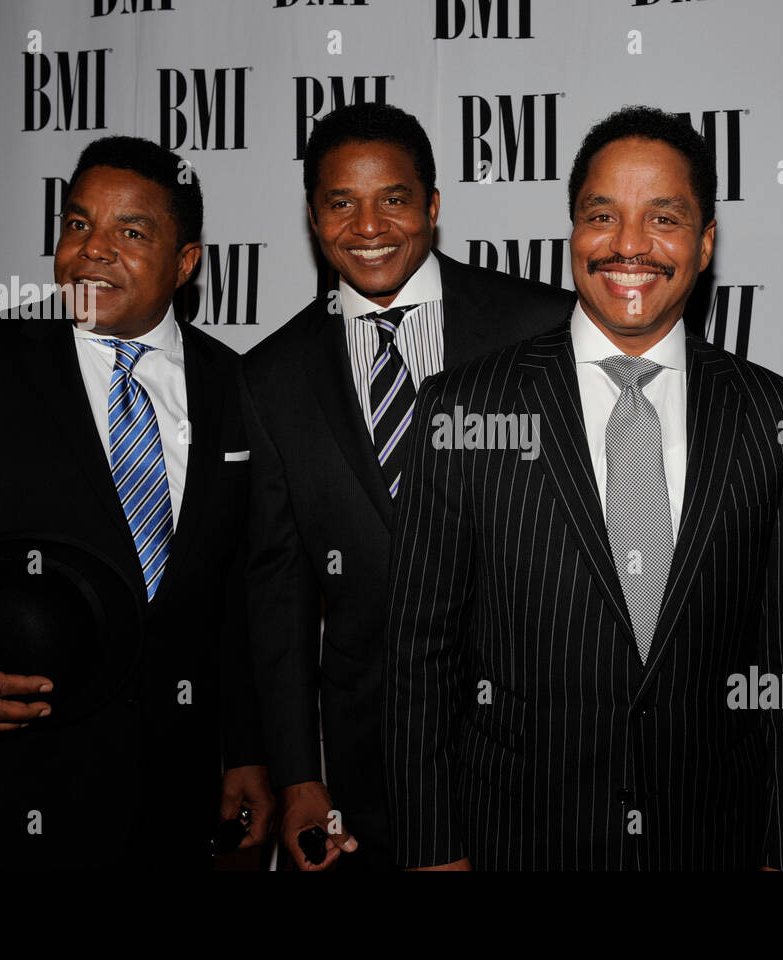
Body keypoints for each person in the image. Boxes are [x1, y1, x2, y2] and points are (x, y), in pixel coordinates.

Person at [384, 106, 783, 870]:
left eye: (664, 218)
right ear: (572, 232)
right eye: (601, 216)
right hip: (513, 840)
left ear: (706, 242)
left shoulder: (779, 420)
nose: (628, 245)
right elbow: (421, 654)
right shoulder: (464, 409)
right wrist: (431, 848)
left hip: (710, 838)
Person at [0, 135, 272, 869]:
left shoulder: (243, 389)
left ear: (186, 262)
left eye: (131, 232)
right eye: (78, 224)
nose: (93, 249)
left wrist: (250, 752)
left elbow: (246, 591)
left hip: (177, 813)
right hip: (3, 804)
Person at [241, 102, 573, 871]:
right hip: (373, 761)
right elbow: (279, 591)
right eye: (340, 203)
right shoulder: (270, 378)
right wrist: (297, 775)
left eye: (392, 198)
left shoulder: (544, 328)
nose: (369, 225)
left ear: (431, 205)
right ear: (314, 218)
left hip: (548, 744)